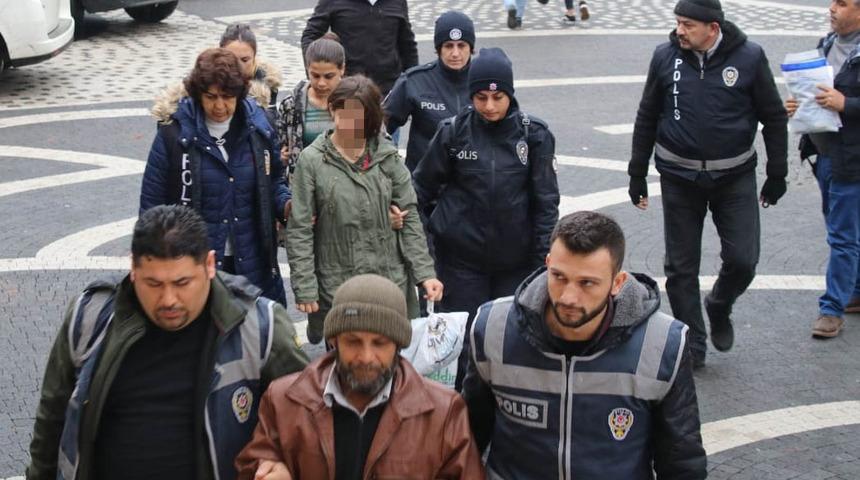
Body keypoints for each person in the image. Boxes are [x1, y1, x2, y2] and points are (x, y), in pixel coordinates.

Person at [26, 205, 308, 480]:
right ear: (133, 269)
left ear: (209, 265)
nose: (168, 299)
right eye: (153, 284)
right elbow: (52, 417)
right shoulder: (90, 316)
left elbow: (309, 419)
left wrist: (281, 461)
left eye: (182, 283)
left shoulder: (260, 326)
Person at [461, 211, 707, 479]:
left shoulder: (661, 344)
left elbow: (682, 462)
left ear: (617, 283)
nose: (569, 297)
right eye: (559, 276)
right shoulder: (493, 328)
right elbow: (465, 439)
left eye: (587, 283)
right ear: (548, 263)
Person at [627, 0, 788, 366]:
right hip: (678, 177)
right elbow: (647, 114)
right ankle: (693, 342)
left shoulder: (749, 57)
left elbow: (774, 117)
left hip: (734, 176)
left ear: (713, 28)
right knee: (680, 269)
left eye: (688, 24)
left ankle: (719, 303)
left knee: (743, 260)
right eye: (678, 22)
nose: (679, 31)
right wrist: (637, 172)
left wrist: (777, 173)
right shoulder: (665, 57)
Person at [235, 274, 485, 480]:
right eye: (353, 341)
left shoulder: (442, 412)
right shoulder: (284, 400)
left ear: (399, 344)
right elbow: (253, 463)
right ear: (333, 341)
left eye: (380, 343)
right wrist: (266, 471)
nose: (366, 357)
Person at [413, 47, 559, 388]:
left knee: (510, 346)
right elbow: (419, 191)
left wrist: (541, 269)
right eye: (481, 97)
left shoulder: (534, 136)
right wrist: (430, 252)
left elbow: (546, 206)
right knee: (464, 348)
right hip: (461, 265)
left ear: (510, 94)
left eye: (498, 97)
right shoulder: (452, 132)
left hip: (515, 266)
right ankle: (462, 411)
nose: (490, 106)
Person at [287, 75, 443, 345]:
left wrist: (425, 274)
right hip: (337, 284)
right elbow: (300, 229)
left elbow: (410, 220)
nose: (347, 124)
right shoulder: (311, 161)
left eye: (356, 118)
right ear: (332, 109)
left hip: (388, 281)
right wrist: (305, 287)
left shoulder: (387, 157)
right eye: (342, 114)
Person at [142, 48, 291, 306]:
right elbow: (151, 207)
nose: (219, 106)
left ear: (239, 93)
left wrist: (287, 205)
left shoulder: (260, 127)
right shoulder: (173, 135)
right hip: (193, 266)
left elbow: (274, 181)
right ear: (198, 93)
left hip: (253, 265)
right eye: (211, 97)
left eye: (227, 97)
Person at [785, 0, 860, 338]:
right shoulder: (827, 44)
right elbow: (816, 93)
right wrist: (797, 104)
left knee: (842, 236)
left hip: (852, 159)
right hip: (824, 152)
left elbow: (841, 102)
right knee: (842, 227)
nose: (832, 8)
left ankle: (831, 310)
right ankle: (855, 291)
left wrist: (847, 104)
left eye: (842, 3)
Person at [384, 10, 475, 172]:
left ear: (471, 48)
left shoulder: (484, 81)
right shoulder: (414, 81)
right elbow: (378, 126)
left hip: (472, 180)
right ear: (439, 48)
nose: (455, 53)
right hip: (423, 180)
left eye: (461, 45)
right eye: (448, 46)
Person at [301, 0, 418, 96]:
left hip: (389, 89)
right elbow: (310, 35)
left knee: (389, 119)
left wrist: (414, 82)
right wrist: (314, 73)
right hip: (350, 90)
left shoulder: (398, 2)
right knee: (353, 119)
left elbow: (407, 45)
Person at [279, 34, 345, 176]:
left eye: (328, 76)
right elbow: (279, 145)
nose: (321, 83)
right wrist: (281, 157)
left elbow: (380, 144)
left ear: (342, 69)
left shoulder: (356, 103)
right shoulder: (291, 106)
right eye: (315, 76)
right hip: (304, 182)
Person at [220, 23, 282, 116]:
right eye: (231, 59)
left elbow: (270, 122)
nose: (238, 66)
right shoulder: (207, 82)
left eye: (244, 60)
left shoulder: (266, 85)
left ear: (254, 57)